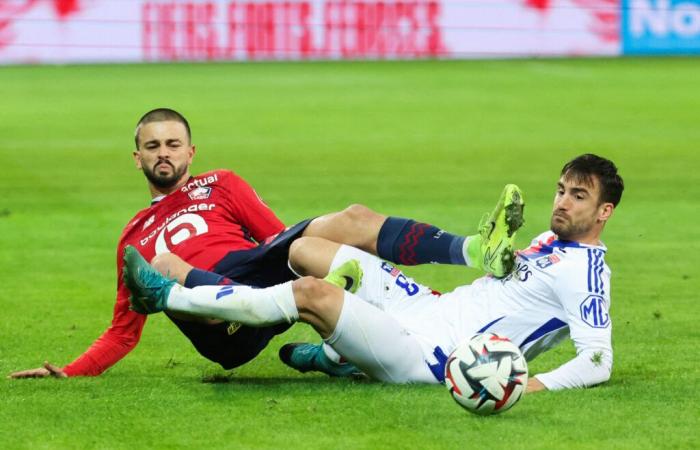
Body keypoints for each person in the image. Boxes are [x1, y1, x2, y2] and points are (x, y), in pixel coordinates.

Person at [9, 107, 520, 379]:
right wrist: (72, 372)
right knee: (162, 263)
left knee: (335, 229)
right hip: (214, 322)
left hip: (254, 277)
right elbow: (123, 332)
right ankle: (326, 334)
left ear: (191, 150)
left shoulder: (221, 184)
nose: (162, 154)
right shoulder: (133, 236)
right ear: (136, 157)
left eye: (171, 144)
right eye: (151, 147)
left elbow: (275, 240)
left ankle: (476, 250)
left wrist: (314, 248)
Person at [123, 154, 623, 391]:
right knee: (308, 249)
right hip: (428, 307)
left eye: (578, 197)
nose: (561, 202)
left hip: (431, 356)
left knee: (311, 292)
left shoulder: (586, 274)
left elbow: (597, 361)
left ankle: (170, 297)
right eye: (560, 189)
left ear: (604, 213)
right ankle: (341, 354)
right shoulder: (546, 243)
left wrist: (530, 386)